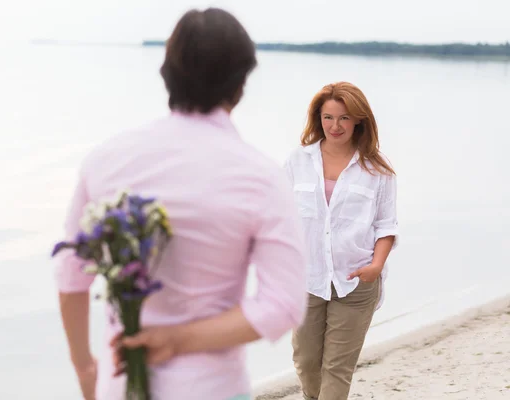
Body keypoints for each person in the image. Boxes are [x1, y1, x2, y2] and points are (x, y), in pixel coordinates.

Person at [54, 8, 307, 400]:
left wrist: (86, 369)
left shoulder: (106, 160)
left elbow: (71, 277)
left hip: (118, 384)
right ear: (241, 83)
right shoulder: (261, 178)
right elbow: (284, 305)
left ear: (165, 74)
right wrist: (177, 340)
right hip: (212, 387)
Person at [284, 82, 399, 400]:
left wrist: (375, 266)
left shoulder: (377, 170)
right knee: (307, 363)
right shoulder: (298, 161)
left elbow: (386, 226)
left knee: (337, 368)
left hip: (356, 281)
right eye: (328, 117)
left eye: (344, 118)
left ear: (359, 120)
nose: (335, 126)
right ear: (317, 118)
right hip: (307, 279)